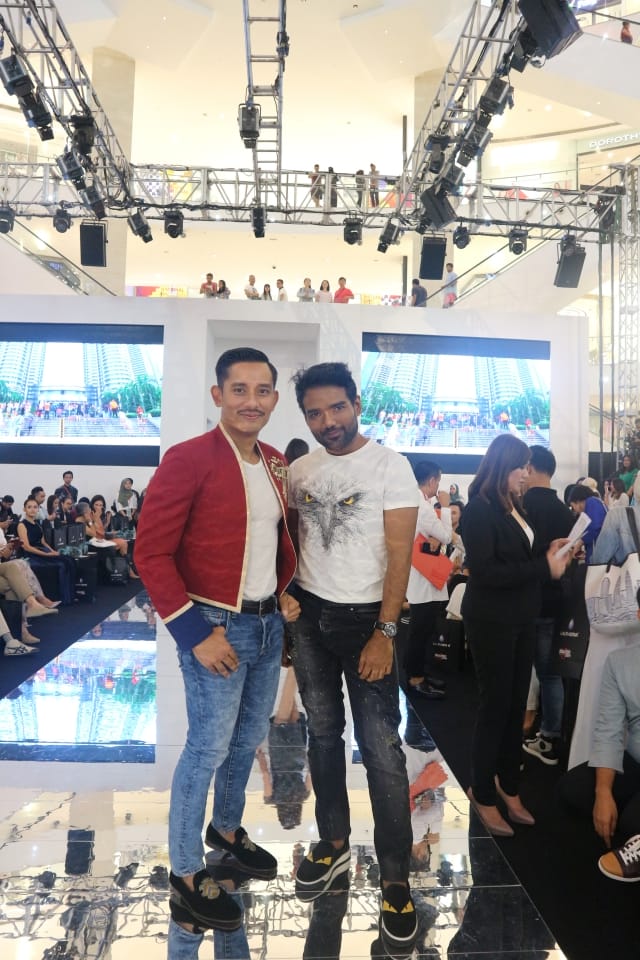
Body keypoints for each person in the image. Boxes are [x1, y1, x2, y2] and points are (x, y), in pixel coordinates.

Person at [135, 346, 298, 933]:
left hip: (266, 623)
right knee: (207, 746)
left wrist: (284, 592)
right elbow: (150, 553)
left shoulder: (275, 463)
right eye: (239, 390)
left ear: (274, 398)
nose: (252, 401)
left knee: (249, 737)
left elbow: (276, 542)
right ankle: (184, 872)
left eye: (262, 390)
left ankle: (225, 830)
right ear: (218, 395)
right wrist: (193, 633)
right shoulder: (188, 459)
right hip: (213, 624)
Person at [287, 361, 419, 960]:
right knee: (321, 732)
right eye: (314, 413)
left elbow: (400, 554)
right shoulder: (301, 471)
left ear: (357, 403)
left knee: (382, 748)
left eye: (337, 408)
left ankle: (394, 878)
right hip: (310, 617)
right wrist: (287, 596)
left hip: (369, 619)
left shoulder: (391, 466)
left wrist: (385, 631)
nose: (327, 422)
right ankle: (333, 842)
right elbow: (290, 543)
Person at [461, 434, 569, 836]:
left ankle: (508, 785)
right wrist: (544, 568)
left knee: (514, 707)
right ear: (503, 466)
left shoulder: (513, 506)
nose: (526, 473)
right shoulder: (479, 509)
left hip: (522, 617)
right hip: (492, 619)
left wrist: (552, 549)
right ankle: (482, 791)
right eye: (521, 466)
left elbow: (521, 556)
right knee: (495, 707)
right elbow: (486, 572)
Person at [559, 616, 640, 882]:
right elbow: (609, 730)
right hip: (635, 757)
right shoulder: (620, 662)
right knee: (575, 788)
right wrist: (603, 791)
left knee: (631, 823)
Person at [521, 446, 574, 766]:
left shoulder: (522, 505)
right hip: (557, 601)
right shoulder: (564, 511)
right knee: (551, 673)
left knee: (522, 671)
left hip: (527, 600)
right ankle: (551, 735)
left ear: (529, 467)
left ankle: (533, 734)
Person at [405, 458, 451, 700]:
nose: (438, 487)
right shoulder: (422, 506)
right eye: (438, 481)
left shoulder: (418, 501)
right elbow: (446, 536)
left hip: (423, 572)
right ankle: (415, 677)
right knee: (420, 630)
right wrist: (445, 507)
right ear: (432, 480)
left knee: (423, 629)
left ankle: (419, 672)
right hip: (422, 575)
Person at [568, 483, 606, 562]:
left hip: (599, 558)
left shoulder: (591, 501)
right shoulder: (596, 503)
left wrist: (580, 543)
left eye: (572, 506)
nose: (574, 510)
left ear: (577, 501)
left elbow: (595, 527)